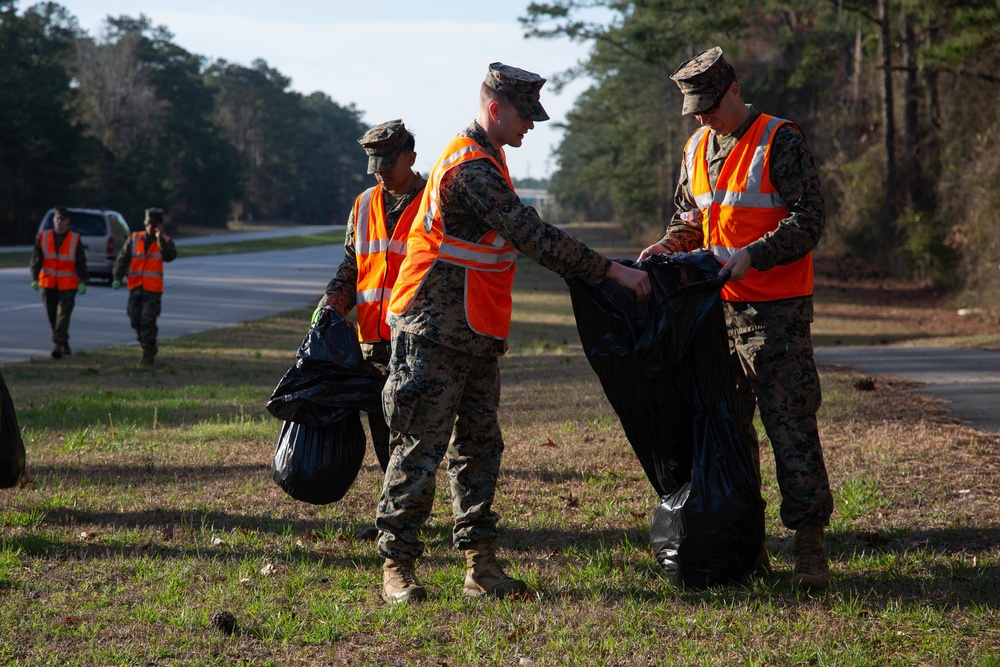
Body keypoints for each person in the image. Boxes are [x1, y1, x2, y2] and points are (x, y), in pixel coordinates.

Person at [375, 62, 651, 605]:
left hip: (475, 331)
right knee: (418, 450)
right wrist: (612, 271)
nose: (531, 126)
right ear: (495, 109)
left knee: (479, 448)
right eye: (525, 116)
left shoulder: (492, 157)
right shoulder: (470, 167)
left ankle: (480, 565)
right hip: (431, 330)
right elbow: (531, 235)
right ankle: (396, 565)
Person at [639, 47, 834, 588]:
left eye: (708, 105)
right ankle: (747, 545)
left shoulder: (779, 139)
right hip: (714, 316)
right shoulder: (697, 146)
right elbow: (691, 217)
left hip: (777, 316)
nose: (702, 117)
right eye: (694, 110)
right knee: (728, 437)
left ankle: (810, 551)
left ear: (734, 90)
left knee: (791, 430)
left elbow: (810, 219)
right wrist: (666, 245)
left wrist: (753, 255)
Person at [317, 119, 426, 474]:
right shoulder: (363, 204)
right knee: (382, 429)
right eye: (374, 168)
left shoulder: (435, 203)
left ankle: (407, 518)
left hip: (418, 340)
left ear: (410, 157)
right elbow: (353, 265)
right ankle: (394, 518)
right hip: (374, 344)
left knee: (415, 431)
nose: (381, 175)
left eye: (388, 165)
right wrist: (332, 303)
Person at [112, 207, 177, 366]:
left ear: (160, 225)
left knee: (147, 320)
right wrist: (117, 277)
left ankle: (148, 353)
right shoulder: (134, 238)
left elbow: (169, 256)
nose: (150, 228)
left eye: (154, 225)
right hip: (135, 287)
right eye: (148, 224)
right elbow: (123, 259)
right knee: (135, 319)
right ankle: (148, 345)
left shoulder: (165, 241)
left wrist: (159, 238)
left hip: (153, 290)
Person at [30, 207, 89, 359]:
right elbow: (36, 260)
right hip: (48, 283)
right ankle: (64, 343)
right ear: (54, 221)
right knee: (52, 316)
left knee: (63, 315)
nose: (60, 223)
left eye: (63, 220)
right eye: (58, 219)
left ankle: (57, 345)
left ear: (67, 221)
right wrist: (34, 278)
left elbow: (81, 262)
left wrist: (83, 281)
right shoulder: (43, 237)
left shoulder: (74, 239)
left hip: (68, 284)